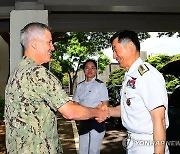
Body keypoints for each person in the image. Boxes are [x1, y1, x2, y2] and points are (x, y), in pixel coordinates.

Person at [4, 22, 109, 154]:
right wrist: (98, 113)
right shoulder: (38, 73)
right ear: (35, 44)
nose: (52, 47)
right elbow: (70, 111)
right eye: (49, 42)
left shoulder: (16, 72)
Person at [108, 30, 169, 154]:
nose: (114, 56)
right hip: (133, 143)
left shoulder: (147, 75)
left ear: (130, 46)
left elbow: (159, 119)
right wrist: (105, 111)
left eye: (115, 49)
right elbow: (129, 108)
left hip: (149, 145)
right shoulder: (130, 75)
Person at [72, 59, 109, 154]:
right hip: (84, 122)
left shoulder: (100, 85)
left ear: (96, 70)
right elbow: (75, 104)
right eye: (87, 68)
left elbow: (105, 104)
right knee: (83, 150)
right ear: (84, 70)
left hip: (97, 122)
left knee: (93, 151)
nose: (90, 70)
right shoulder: (80, 86)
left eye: (93, 68)